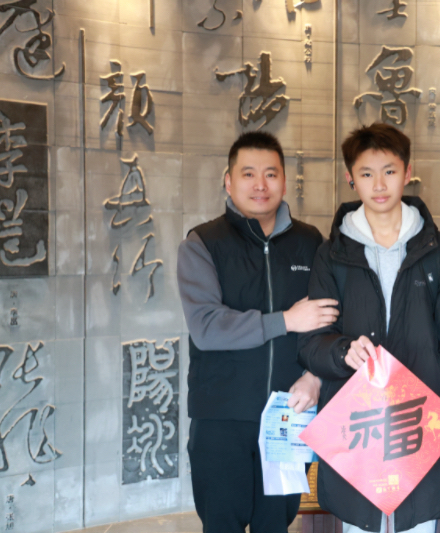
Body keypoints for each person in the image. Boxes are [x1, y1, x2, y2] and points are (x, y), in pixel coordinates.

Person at [298, 123, 440, 533]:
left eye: (389, 171)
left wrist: (435, 394)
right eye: (366, 173)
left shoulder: (439, 250)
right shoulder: (331, 255)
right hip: (358, 431)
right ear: (350, 177)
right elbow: (312, 342)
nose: (379, 185)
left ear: (407, 172)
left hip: (419, 427)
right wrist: (341, 351)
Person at [177, 131, 339, 533]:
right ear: (228, 181)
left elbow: (332, 320)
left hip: (288, 417)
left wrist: (315, 376)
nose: (260, 184)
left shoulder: (311, 243)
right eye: (248, 174)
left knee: (276, 526)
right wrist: (285, 320)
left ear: (284, 181)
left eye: (271, 173)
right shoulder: (203, 243)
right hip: (220, 420)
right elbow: (207, 327)